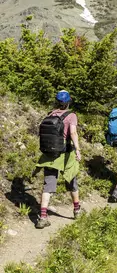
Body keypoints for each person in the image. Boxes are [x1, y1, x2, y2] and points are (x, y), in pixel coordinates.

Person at [35, 90, 82, 229]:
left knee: (48, 185)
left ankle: (43, 217)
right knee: (72, 180)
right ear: (68, 102)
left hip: (49, 155)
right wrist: (78, 150)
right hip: (65, 153)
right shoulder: (71, 115)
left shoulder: (50, 114)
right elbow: (73, 133)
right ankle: (77, 210)